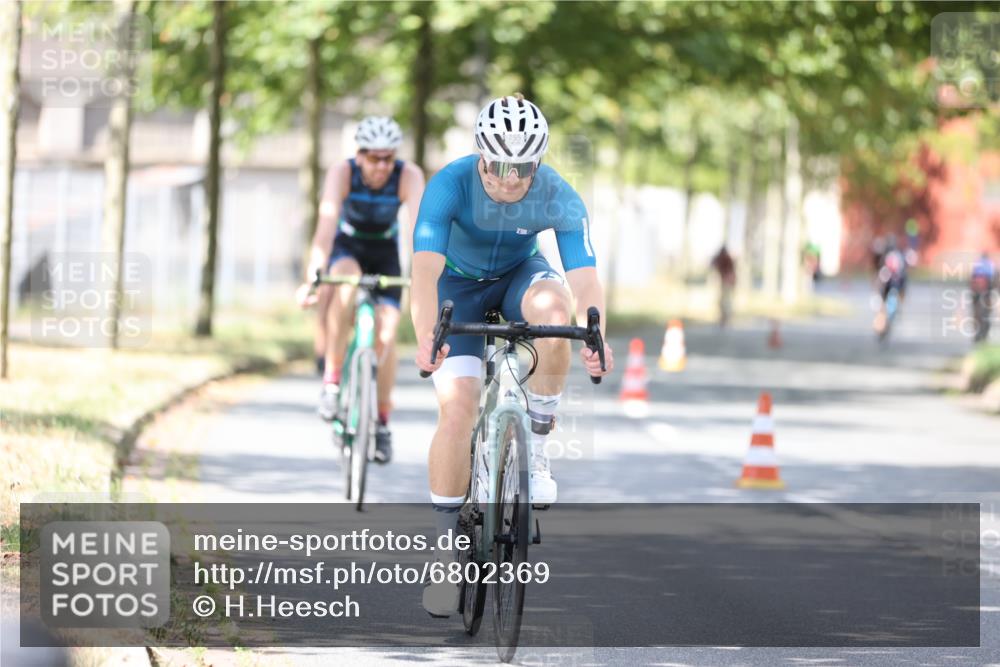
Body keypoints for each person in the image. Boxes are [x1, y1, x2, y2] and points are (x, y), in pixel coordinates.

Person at [410, 94, 614, 616]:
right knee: (458, 406)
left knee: (557, 311)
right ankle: (444, 552)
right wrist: (424, 334)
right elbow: (425, 274)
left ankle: (538, 445)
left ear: (537, 163)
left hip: (519, 278)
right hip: (458, 288)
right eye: (496, 165)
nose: (506, 178)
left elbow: (585, 279)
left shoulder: (559, 195)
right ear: (480, 155)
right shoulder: (448, 185)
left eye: (520, 168)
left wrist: (595, 337)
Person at [296, 116, 425, 464]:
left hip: (385, 253)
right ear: (360, 155)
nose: (382, 166)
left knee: (386, 335)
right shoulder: (342, 172)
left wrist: (428, 277)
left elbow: (418, 233)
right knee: (346, 285)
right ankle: (332, 380)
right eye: (373, 157)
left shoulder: (408, 175)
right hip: (347, 248)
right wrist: (314, 272)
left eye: (388, 158)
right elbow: (325, 226)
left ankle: (382, 423)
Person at [873, 234, 910, 333]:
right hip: (891, 282)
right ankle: (883, 322)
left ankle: (884, 321)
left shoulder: (890, 256)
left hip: (890, 283)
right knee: (884, 306)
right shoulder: (896, 255)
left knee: (884, 305)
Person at [970, 251, 997, 342]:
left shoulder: (977, 264)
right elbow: (994, 279)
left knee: (976, 313)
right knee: (987, 313)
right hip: (986, 291)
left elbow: (971, 278)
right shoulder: (990, 264)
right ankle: (983, 334)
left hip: (976, 291)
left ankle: (977, 334)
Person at [710, 245, 736, 327]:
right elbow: (713, 264)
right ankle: (724, 318)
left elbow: (730, 270)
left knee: (725, 301)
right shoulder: (724, 259)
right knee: (723, 301)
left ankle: (725, 318)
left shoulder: (726, 259)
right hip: (725, 281)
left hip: (727, 281)